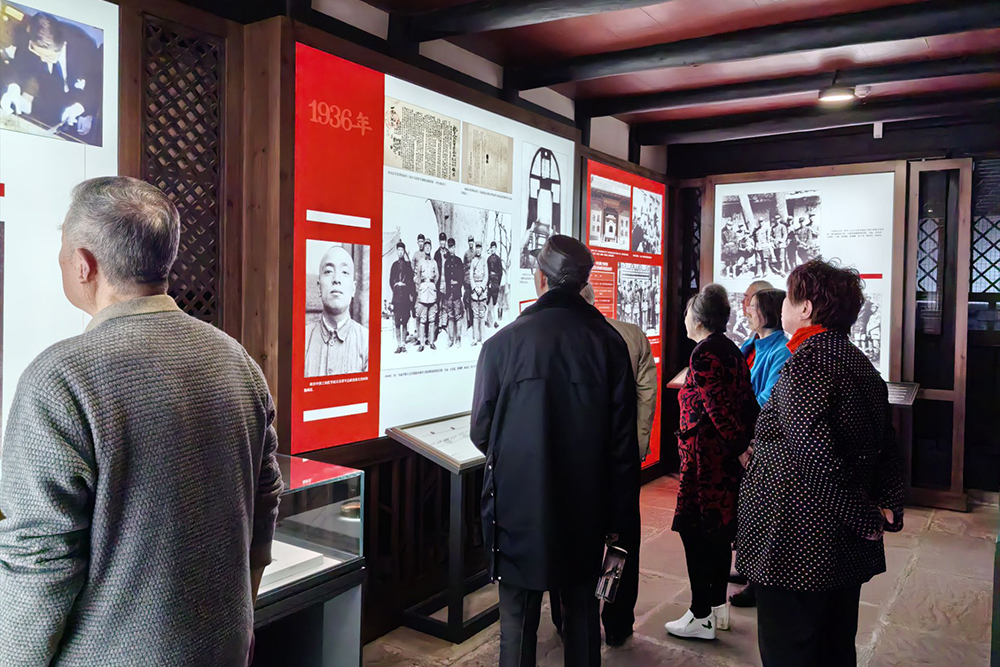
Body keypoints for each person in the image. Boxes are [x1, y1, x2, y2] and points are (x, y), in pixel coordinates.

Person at [0, 177, 282, 666]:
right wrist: (241, 616)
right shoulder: (235, 360)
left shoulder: (61, 378)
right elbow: (265, 499)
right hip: (224, 646)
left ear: (83, 264)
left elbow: (39, 558)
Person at [471, 235, 639, 667]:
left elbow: (481, 432)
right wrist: (618, 521)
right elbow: (622, 447)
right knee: (582, 616)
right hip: (586, 507)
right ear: (583, 283)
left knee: (517, 625)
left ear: (541, 278)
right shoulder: (610, 344)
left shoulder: (502, 343)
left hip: (517, 507)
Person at [737, 260, 905, 667]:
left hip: (797, 542)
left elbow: (815, 457)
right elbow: (888, 446)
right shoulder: (857, 361)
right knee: (834, 645)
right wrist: (887, 504)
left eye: (789, 298)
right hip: (836, 544)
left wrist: (866, 519)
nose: (783, 307)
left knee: (791, 649)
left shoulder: (808, 362)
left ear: (806, 308)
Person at [550, 284, 658, 647]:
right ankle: (617, 621)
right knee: (621, 543)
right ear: (594, 299)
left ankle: (567, 620)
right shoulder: (630, 334)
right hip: (619, 460)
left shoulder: (555, 338)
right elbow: (646, 394)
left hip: (571, 464)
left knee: (568, 538)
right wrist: (636, 448)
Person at [666, 284, 759, 641]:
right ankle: (718, 608)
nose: (684, 318)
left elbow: (717, 408)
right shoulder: (730, 349)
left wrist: (741, 447)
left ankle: (700, 613)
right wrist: (743, 446)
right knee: (718, 533)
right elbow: (747, 403)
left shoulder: (703, 353)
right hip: (721, 461)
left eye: (688, 312)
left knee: (695, 533)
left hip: (705, 463)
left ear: (699, 319)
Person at [0, 11, 103, 142]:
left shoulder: (84, 46)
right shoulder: (31, 37)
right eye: (39, 54)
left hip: (80, 100)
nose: (43, 60)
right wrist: (13, 88)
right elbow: (19, 66)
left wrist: (84, 109)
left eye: (49, 56)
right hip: (50, 95)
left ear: (63, 45)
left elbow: (95, 84)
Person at [304, 245, 369, 376]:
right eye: (328, 271)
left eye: (344, 272)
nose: (336, 280)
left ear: (353, 289)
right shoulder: (302, 340)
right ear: (319, 287)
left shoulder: (367, 342)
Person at [390, 241, 416, 354]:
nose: (400, 252)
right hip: (396, 297)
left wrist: (409, 294)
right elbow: (390, 281)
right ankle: (398, 344)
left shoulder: (408, 266)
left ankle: (404, 344)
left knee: (404, 320)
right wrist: (396, 287)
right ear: (397, 251)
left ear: (404, 251)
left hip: (405, 297)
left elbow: (411, 281)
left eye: (402, 250)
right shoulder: (394, 265)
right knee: (397, 321)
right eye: (399, 250)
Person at [415, 240, 439, 352]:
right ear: (424, 248)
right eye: (426, 247)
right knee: (423, 319)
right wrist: (420, 290)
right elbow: (418, 277)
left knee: (432, 319)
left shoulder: (434, 262)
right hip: (423, 292)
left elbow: (437, 276)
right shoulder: (420, 262)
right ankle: (421, 343)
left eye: (429, 246)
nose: (427, 248)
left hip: (432, 292)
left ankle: (431, 341)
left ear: (431, 248)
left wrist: (432, 285)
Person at [443, 237, 465, 348]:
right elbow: (446, 278)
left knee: (458, 316)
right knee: (450, 316)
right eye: (449, 247)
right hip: (449, 293)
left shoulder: (459, 261)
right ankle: (451, 339)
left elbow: (462, 277)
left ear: (455, 247)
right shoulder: (446, 262)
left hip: (456, 293)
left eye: (452, 247)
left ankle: (458, 338)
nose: (451, 249)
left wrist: (456, 283)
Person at [469, 241, 489, 346]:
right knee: (475, 315)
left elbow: (486, 276)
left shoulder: (484, 261)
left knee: (482, 315)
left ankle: (483, 338)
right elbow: (470, 276)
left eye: (479, 248)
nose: (478, 250)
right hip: (474, 291)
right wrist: (475, 287)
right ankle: (475, 339)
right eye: (476, 248)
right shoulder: (473, 261)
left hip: (482, 290)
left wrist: (481, 287)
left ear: (481, 249)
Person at [487, 241, 503, 329]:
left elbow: (500, 272)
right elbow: (487, 271)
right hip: (489, 282)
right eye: (491, 247)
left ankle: (495, 321)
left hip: (495, 283)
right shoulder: (488, 259)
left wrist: (498, 283)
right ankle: (488, 320)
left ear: (496, 248)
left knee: (495, 302)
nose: (492, 249)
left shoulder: (498, 259)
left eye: (494, 247)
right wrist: (487, 283)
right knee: (487, 301)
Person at [463, 235, 476, 330]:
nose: (471, 243)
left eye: (472, 241)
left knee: (474, 301)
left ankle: (473, 321)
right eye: (469, 241)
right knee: (467, 301)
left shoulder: (476, 253)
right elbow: (464, 267)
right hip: (467, 280)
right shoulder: (466, 254)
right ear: (468, 242)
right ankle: (468, 321)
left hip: (474, 281)